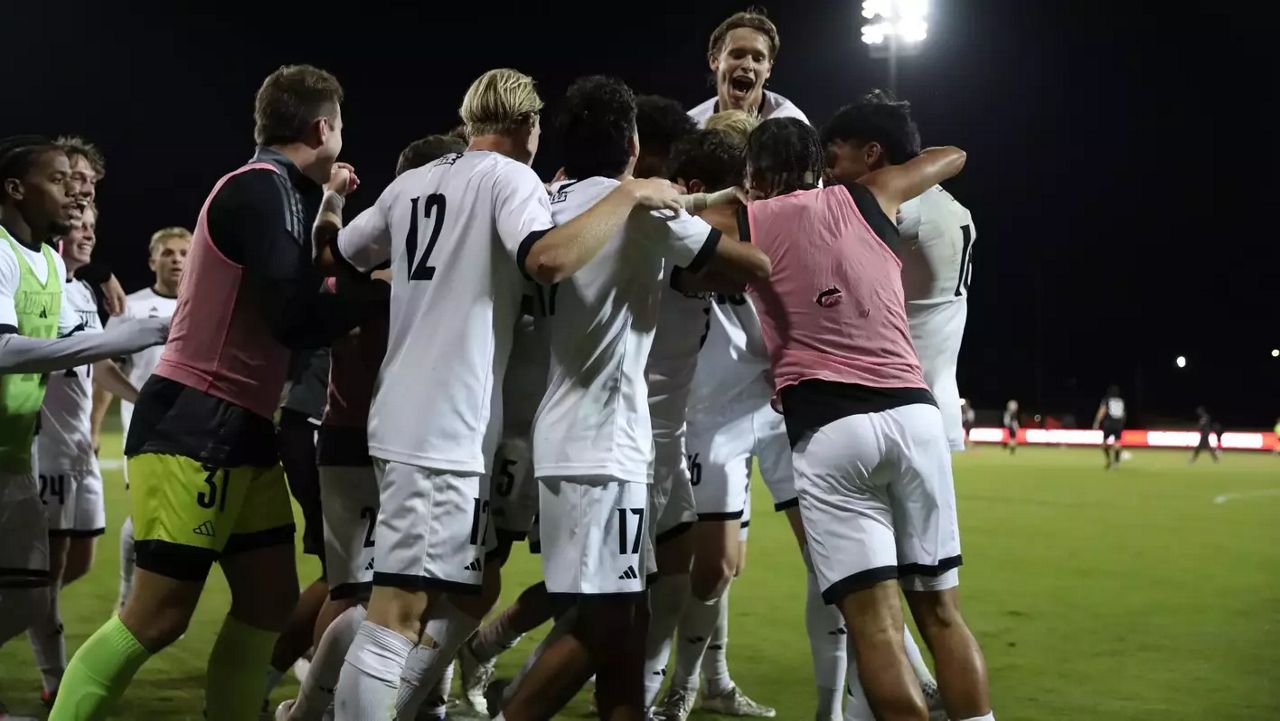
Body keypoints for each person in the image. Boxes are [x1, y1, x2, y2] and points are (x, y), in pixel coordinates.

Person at [316, 68, 690, 721]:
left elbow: (339, 258)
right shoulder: (510, 177)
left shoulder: (411, 181)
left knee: (414, 596)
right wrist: (626, 196)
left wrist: (339, 212)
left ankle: (314, 708)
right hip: (447, 420)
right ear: (526, 125)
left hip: (401, 408)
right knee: (401, 607)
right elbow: (545, 258)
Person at [50, 64, 375, 721]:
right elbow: (293, 314)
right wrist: (391, 294)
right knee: (158, 615)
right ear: (322, 127)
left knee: (268, 599)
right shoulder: (261, 189)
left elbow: (305, 273)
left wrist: (335, 205)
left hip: (241, 424)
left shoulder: (282, 190)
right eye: (340, 128)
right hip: (196, 421)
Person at [494, 75, 768, 721]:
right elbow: (746, 265)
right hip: (605, 444)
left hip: (555, 434)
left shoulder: (548, 201)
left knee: (628, 620)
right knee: (604, 622)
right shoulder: (641, 209)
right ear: (634, 142)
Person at [741, 117, 994, 721]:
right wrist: (884, 174)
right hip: (915, 416)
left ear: (754, 176)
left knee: (876, 629)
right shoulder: (874, 194)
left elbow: (679, 233)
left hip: (832, 428)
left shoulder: (749, 220)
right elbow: (951, 153)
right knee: (942, 615)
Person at [275, 133, 466, 721]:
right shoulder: (421, 282)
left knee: (365, 590)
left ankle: (327, 707)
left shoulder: (362, 274)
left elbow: (326, 255)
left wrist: (332, 201)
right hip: (397, 440)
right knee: (384, 591)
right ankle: (327, 707)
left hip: (349, 436)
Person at [0, 135, 167, 716]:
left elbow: (67, 347)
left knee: (25, 599)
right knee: (29, 591)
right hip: (20, 454)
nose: (76, 195)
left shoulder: (48, 262)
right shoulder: (0, 253)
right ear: (16, 189)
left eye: (83, 185)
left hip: (15, 451)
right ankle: (53, 681)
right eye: (60, 180)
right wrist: (108, 341)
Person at [28, 205, 142, 707]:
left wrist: (144, 397)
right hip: (44, 450)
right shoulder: (36, 285)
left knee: (76, 567)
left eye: (94, 226)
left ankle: (23, 617)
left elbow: (96, 364)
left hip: (81, 454)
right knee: (46, 578)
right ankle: (55, 681)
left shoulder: (82, 292)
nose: (89, 233)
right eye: (79, 225)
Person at [822, 91, 976, 454]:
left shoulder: (898, 208)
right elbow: (954, 154)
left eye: (834, 159)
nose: (829, 172)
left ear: (872, 154)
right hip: (933, 398)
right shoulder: (944, 200)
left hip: (896, 405)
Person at [88, 226, 189, 610]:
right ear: (152, 260)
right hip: (144, 431)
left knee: (181, 522)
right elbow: (102, 369)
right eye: (168, 253)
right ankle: (130, 596)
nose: (177, 259)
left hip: (199, 431)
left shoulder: (208, 305)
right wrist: (95, 426)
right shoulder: (128, 308)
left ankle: (159, 601)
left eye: (184, 252)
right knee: (146, 516)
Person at [688, 10, 808, 127]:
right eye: (738, 55)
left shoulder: (791, 125)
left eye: (758, 59)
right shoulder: (692, 127)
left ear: (768, 70)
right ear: (714, 60)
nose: (748, 65)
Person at [1092, 386, 1126, 469]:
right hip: (1119, 423)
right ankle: (1116, 463)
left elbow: (1102, 410)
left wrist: (1097, 422)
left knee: (1104, 443)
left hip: (1109, 423)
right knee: (1117, 443)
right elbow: (1124, 413)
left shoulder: (1107, 400)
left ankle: (1108, 460)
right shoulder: (1121, 401)